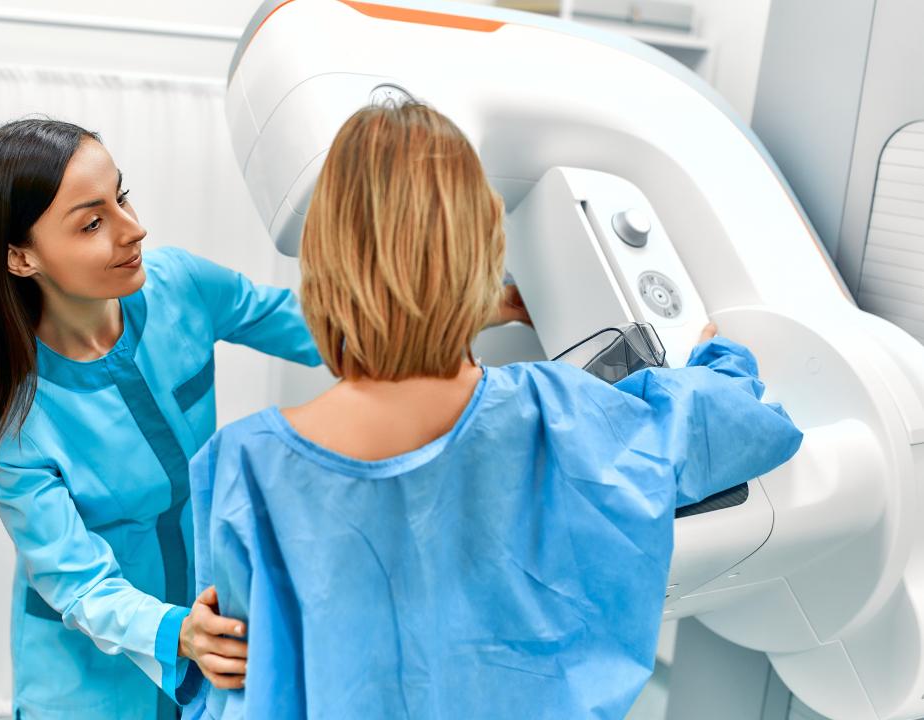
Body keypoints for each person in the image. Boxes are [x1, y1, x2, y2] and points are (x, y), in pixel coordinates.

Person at [184, 103, 803, 720]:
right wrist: (714, 357)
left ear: (324, 259)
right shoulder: (560, 413)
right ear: (481, 249)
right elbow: (741, 424)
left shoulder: (247, 469)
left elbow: (241, 689)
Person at [0, 118, 323, 719]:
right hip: (87, 679)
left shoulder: (180, 287)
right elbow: (80, 583)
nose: (135, 229)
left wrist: (464, 308)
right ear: (21, 257)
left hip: (204, 621)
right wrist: (181, 633)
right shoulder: (10, 415)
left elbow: (310, 323)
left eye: (121, 196)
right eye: (93, 222)